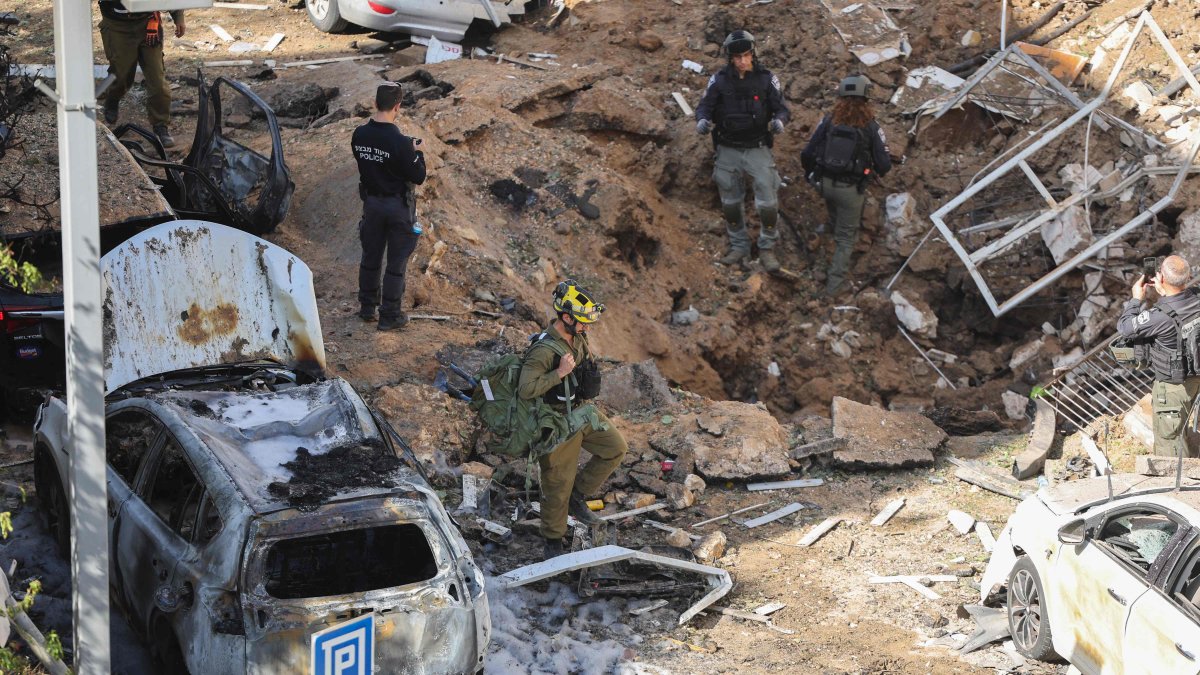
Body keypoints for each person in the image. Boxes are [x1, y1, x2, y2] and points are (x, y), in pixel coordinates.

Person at [518, 281, 628, 560]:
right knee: (556, 483)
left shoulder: (577, 336)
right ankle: (553, 541)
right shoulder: (542, 351)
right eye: (582, 322)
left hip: (581, 411)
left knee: (615, 447)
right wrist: (560, 373)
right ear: (566, 317)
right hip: (554, 421)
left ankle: (577, 496)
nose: (586, 328)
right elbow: (526, 389)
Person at [695, 30, 790, 273]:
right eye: (738, 57)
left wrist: (780, 121)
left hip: (757, 147)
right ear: (730, 58)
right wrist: (702, 121)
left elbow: (782, 108)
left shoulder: (767, 79)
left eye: (747, 55)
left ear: (753, 54)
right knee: (730, 202)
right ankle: (739, 246)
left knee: (768, 201)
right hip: (728, 148)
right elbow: (704, 106)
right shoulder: (719, 80)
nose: (743, 61)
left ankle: (767, 248)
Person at [800, 74, 892, 297]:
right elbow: (884, 163)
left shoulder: (829, 120)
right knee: (846, 238)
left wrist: (811, 175)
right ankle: (834, 286)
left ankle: (820, 261)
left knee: (834, 220)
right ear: (866, 98)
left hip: (824, 184)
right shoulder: (871, 127)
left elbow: (808, 152)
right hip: (850, 191)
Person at [351, 82, 427, 331]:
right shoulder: (401, 142)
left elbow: (368, 163)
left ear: (375, 103)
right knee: (396, 262)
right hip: (397, 207)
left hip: (371, 204)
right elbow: (418, 176)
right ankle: (390, 315)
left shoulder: (359, 135)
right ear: (398, 106)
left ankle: (367, 307)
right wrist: (417, 152)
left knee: (370, 256)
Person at [1117, 255, 1200, 458]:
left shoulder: (1159, 316)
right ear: (1188, 276)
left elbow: (1126, 327)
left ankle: (1178, 486)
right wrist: (1166, 293)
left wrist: (1136, 299)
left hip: (1173, 386)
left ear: (1161, 278)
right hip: (1196, 375)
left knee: (1170, 439)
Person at [98, 0, 185, 149]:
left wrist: (179, 17)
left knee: (158, 82)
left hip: (148, 24)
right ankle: (113, 97)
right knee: (121, 75)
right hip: (117, 26)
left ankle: (160, 126)